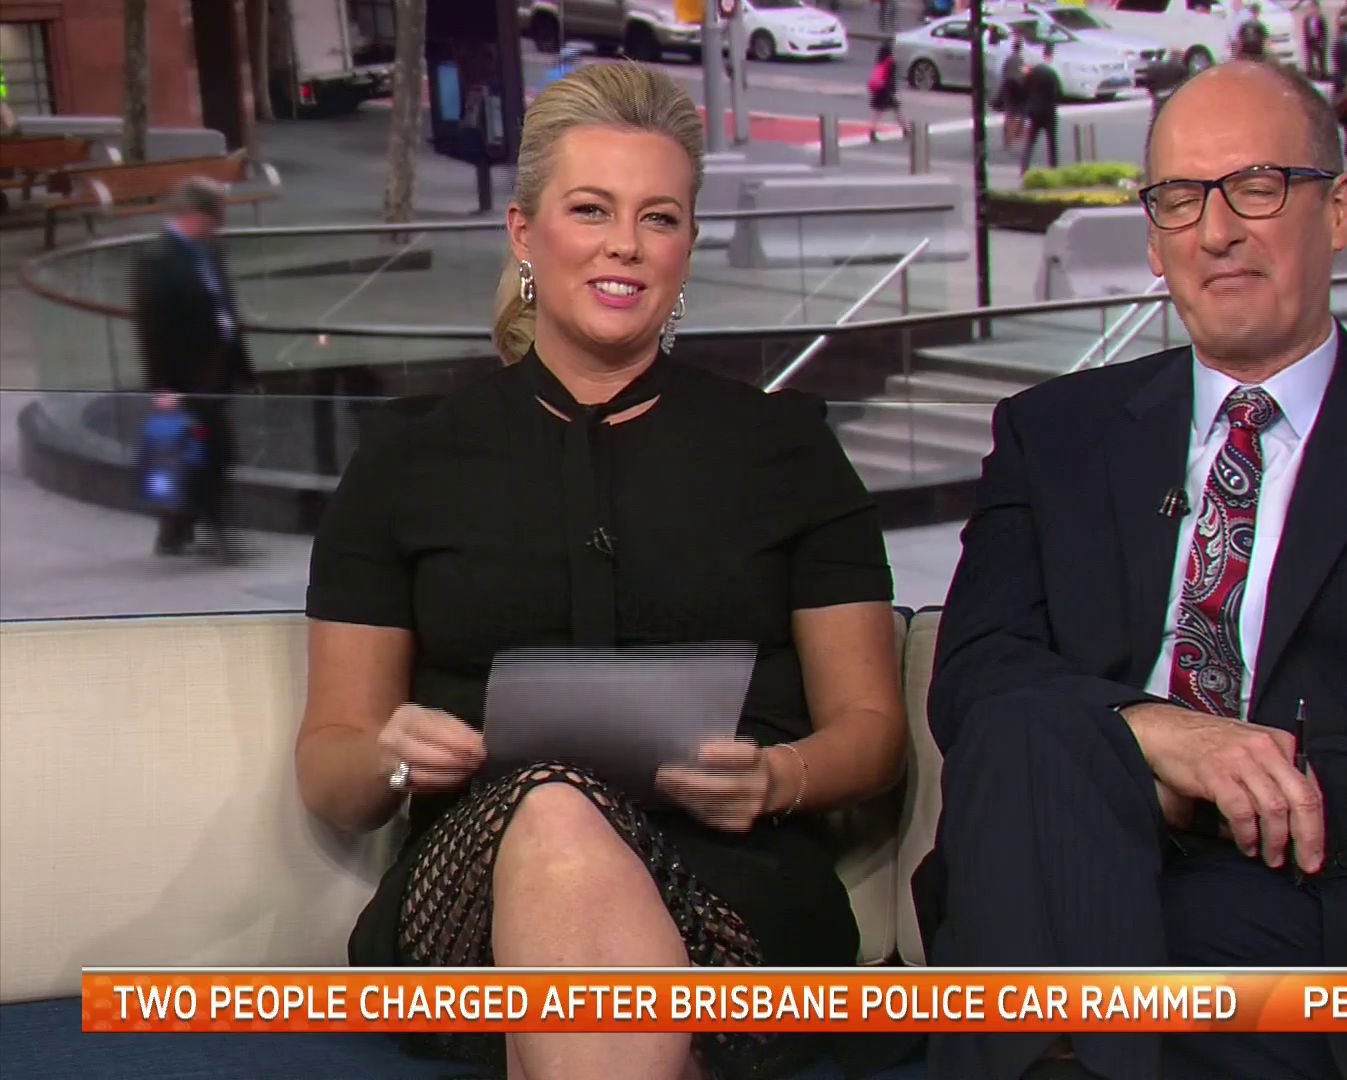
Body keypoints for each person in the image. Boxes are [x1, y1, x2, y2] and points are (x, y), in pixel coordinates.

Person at [913, 59, 1347, 1080]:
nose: (1216, 231)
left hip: (1315, 906)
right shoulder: (1053, 434)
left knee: (1045, 955)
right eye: (1180, 200)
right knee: (1021, 731)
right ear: (1154, 239)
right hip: (1069, 854)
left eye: (1256, 188)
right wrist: (1159, 738)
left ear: (1338, 210)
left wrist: (1226, 783)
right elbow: (973, 678)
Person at [297, 62, 907, 1080]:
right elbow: (331, 768)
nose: (626, 243)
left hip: (739, 888)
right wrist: (393, 756)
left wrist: (778, 776)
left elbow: (874, 733)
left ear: (686, 247)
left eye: (658, 218)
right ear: (524, 232)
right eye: (591, 210)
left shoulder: (787, 451)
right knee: (550, 807)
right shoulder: (406, 461)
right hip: (471, 895)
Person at [132, 178, 255, 563]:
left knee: (197, 451)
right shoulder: (156, 261)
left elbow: (223, 304)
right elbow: (152, 329)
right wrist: (163, 386)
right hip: (186, 376)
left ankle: (175, 528)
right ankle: (223, 533)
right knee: (215, 451)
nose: (218, 227)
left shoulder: (211, 251)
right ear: (194, 215)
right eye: (214, 218)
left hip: (220, 367)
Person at [1021, 44, 1064, 173]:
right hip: (1048, 110)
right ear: (1050, 56)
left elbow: (1024, 88)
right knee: (1051, 141)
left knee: (1031, 141)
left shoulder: (1033, 72)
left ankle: (1024, 167)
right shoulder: (1051, 73)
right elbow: (1058, 93)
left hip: (1034, 110)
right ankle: (1053, 167)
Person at [994, 37, 1030, 150]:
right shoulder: (1021, 60)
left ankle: (1008, 139)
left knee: (1009, 114)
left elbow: (1003, 73)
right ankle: (1017, 133)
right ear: (1021, 48)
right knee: (1022, 112)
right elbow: (1024, 75)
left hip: (1008, 88)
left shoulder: (1008, 59)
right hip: (1017, 89)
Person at [868, 39, 907, 141]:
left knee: (878, 112)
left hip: (878, 89)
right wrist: (893, 91)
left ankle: (872, 131)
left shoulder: (879, 61)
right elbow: (891, 78)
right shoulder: (891, 62)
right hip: (887, 90)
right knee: (897, 110)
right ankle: (905, 130)